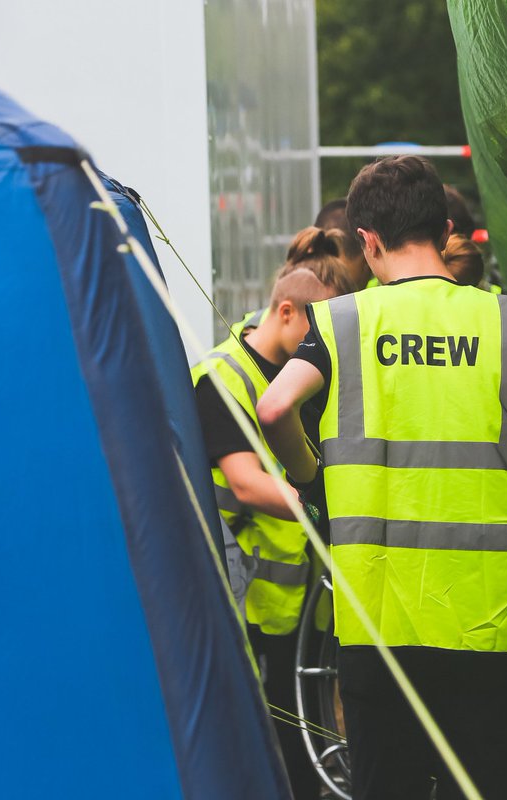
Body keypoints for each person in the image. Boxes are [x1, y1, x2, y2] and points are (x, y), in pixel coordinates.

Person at [258, 156, 507, 800]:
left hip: (379, 621)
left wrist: (310, 477)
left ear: (368, 242)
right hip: (492, 621)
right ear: (444, 227)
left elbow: (273, 407)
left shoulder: (343, 324)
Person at [192, 227, 356, 799]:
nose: (324, 350)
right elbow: (246, 482)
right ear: (287, 311)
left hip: (302, 597)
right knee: (270, 742)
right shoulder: (223, 377)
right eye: (317, 332)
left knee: (303, 738)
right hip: (252, 600)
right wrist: (337, 505)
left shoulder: (296, 376)